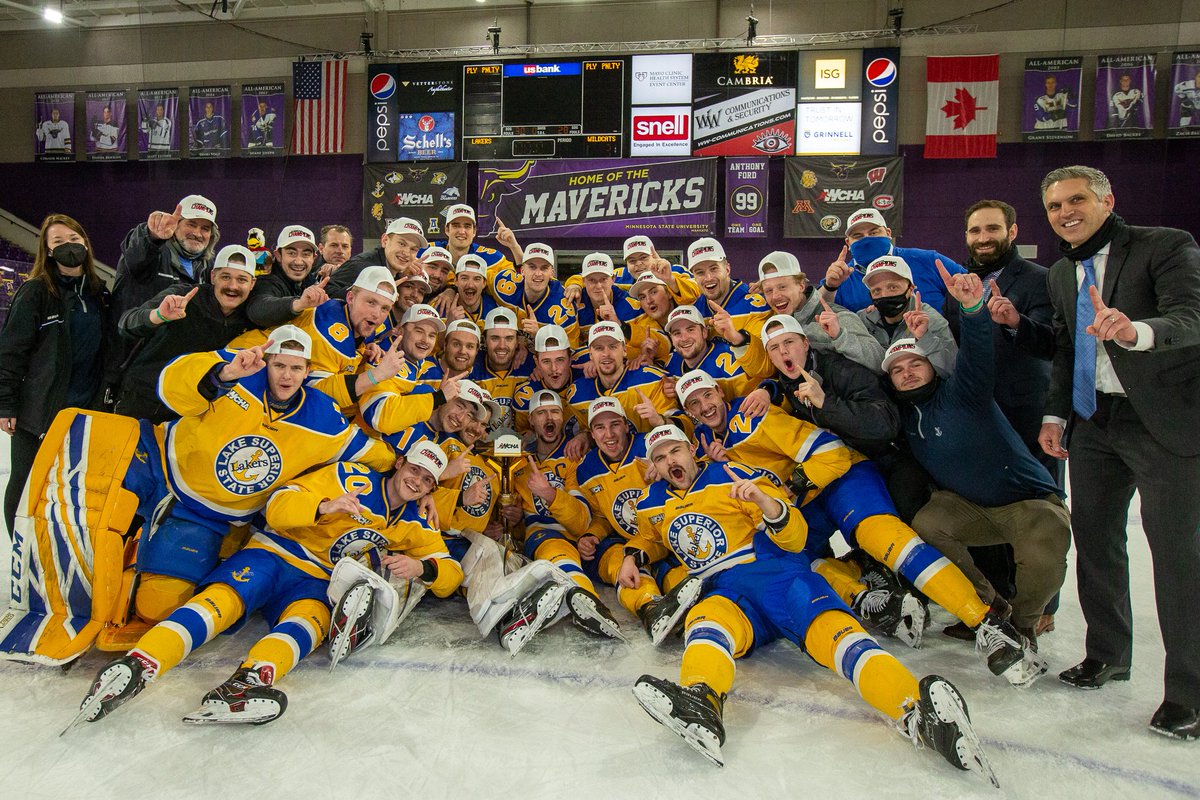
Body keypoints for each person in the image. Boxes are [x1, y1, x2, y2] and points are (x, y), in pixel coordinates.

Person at [622, 425, 995, 784]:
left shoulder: (730, 474)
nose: (670, 459)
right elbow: (652, 540)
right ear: (652, 466)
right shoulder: (652, 502)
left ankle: (916, 711)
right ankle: (701, 701)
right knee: (704, 621)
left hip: (778, 574)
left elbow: (795, 535)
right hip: (727, 592)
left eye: (675, 450)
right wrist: (632, 555)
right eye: (659, 456)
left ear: (691, 450)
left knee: (838, 637)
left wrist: (767, 504)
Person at [69, 442, 461, 729]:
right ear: (399, 465)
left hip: (317, 581)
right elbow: (278, 504)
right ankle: (139, 664)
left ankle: (251, 680)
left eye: (427, 480)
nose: (417, 481)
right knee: (222, 601)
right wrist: (323, 506)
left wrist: (423, 569)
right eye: (414, 470)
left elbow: (449, 571)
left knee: (311, 624)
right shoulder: (349, 476)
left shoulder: (414, 522)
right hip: (273, 553)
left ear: (431, 490)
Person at [1038, 165, 1200, 740]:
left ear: (1108, 200)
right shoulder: (1061, 274)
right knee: (1098, 542)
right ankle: (1108, 655)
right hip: (1094, 422)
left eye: (1076, 200)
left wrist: (1136, 331)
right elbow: (1063, 348)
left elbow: (1191, 317)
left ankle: (1189, 693)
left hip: (1163, 422)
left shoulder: (1165, 245)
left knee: (1178, 556)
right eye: (1055, 206)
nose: (1065, 212)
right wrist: (1056, 414)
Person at [123, 325, 395, 626]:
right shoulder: (239, 368)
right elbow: (171, 385)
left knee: (155, 608)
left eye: (295, 368)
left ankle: (138, 550)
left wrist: (411, 473)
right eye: (279, 365)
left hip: (203, 514)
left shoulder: (324, 418)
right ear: (268, 363)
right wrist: (223, 374)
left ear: (308, 372)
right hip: (159, 463)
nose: (286, 376)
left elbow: (373, 453)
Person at [882, 261, 1070, 652]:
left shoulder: (963, 392)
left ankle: (1023, 624)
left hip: (1026, 504)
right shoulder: (901, 415)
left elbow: (979, 351)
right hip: (971, 509)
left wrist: (972, 309)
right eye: (898, 370)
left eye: (915, 363)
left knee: (1047, 532)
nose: (908, 373)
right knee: (927, 522)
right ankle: (991, 609)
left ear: (932, 366)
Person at [944, 200, 1059, 636]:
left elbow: (1054, 343)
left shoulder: (1040, 280)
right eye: (975, 231)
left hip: (1026, 414)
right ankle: (991, 606)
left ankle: (1041, 608)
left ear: (1012, 232)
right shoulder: (960, 283)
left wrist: (1016, 322)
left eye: (992, 228)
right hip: (978, 414)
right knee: (984, 503)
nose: (983, 237)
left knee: (1039, 509)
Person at [0, 214, 113, 536]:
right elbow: (11, 350)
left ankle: (58, 549)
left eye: (74, 240)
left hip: (83, 409)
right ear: (48, 251)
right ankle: (22, 551)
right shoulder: (35, 292)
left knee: (69, 487)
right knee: (26, 484)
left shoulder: (98, 294)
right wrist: (6, 404)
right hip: (40, 409)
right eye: (59, 242)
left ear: (86, 245)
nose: (69, 247)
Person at [115, 244, 259, 423]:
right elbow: (126, 324)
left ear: (252, 284)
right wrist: (159, 315)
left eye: (242, 280)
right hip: (144, 398)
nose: (232, 286)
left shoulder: (251, 317)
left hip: (192, 412)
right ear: (213, 276)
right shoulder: (184, 295)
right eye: (225, 277)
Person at [819, 208, 965, 314]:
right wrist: (830, 287)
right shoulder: (839, 278)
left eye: (873, 232)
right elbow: (816, 314)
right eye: (858, 236)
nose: (867, 239)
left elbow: (974, 289)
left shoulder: (929, 260)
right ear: (848, 243)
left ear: (888, 233)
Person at [113, 194, 219, 326]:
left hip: (175, 344)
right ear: (176, 225)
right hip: (136, 343)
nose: (197, 233)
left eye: (205, 228)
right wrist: (151, 235)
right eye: (191, 224)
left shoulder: (207, 266)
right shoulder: (152, 250)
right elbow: (137, 256)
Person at [856, 255, 958, 377]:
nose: (885, 295)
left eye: (892, 287)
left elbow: (952, 370)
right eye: (876, 291)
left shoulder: (931, 320)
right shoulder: (863, 319)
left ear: (911, 288)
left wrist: (925, 338)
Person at [244, 225, 327, 328]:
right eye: (291, 253)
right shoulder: (266, 278)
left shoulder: (310, 280)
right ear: (278, 255)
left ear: (313, 258)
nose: (298, 261)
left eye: (306, 254)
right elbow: (257, 309)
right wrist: (299, 303)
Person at [328, 217, 427, 299]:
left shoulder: (394, 270)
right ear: (385, 241)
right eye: (401, 244)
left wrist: (401, 275)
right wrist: (369, 292)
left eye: (413, 249)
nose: (406, 253)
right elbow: (327, 291)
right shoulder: (364, 267)